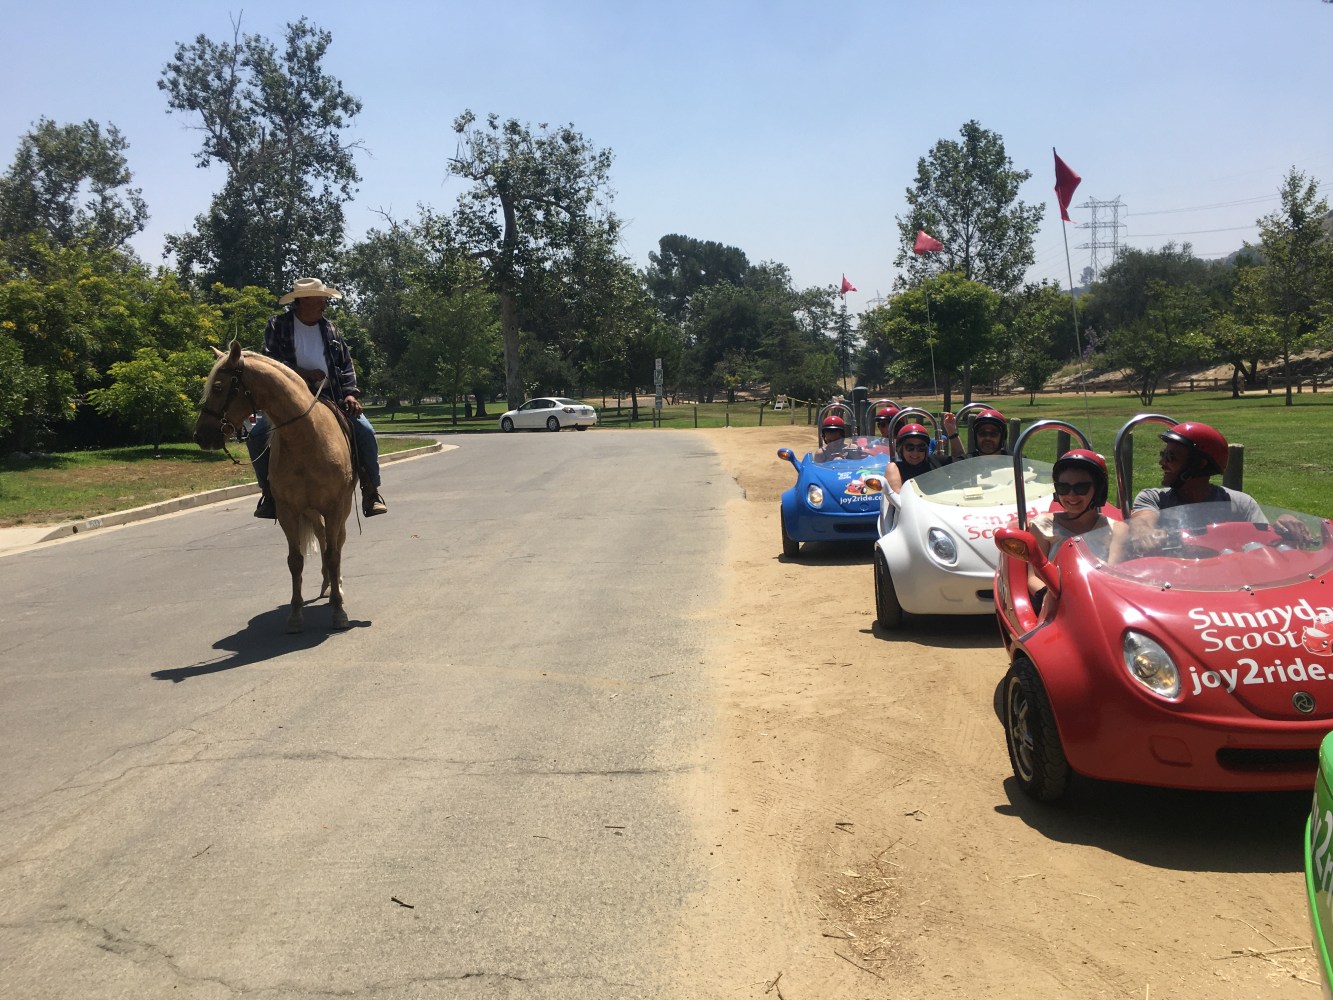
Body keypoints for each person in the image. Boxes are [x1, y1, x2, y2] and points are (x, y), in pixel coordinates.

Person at [247, 277, 387, 519]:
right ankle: (269, 494)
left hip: (331, 396)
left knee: (365, 432)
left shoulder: (330, 328)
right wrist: (304, 374)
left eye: (325, 299)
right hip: (288, 401)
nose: (324, 304)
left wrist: (351, 394)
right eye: (320, 299)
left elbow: (345, 364)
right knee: (256, 437)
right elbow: (271, 362)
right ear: (303, 301)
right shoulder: (277, 325)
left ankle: (371, 490)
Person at [1110, 420, 1307, 559]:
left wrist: (1282, 525)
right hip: (1172, 585)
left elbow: (1264, 543)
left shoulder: (1240, 503)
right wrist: (1144, 531)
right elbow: (1142, 521)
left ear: (1200, 464)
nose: (1162, 462)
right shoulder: (1153, 499)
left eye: (1170, 456)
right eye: (1163, 454)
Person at [1027, 449, 1122, 606]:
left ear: (1098, 491)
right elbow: (1034, 577)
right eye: (1063, 488)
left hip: (1103, 602)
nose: (1071, 495)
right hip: (1056, 603)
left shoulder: (1115, 529)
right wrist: (1057, 599)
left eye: (1081, 488)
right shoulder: (1042, 526)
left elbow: (1116, 576)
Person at [885, 423, 944, 492]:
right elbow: (897, 496)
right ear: (900, 449)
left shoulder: (936, 461)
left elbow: (958, 463)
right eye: (910, 447)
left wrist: (953, 434)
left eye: (921, 447)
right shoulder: (895, 468)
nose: (915, 453)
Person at [942, 407, 1007, 461]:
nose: (987, 438)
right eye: (982, 433)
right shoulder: (968, 462)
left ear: (1003, 436)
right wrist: (952, 432)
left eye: (993, 433)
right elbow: (958, 464)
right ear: (976, 436)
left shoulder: (1014, 463)